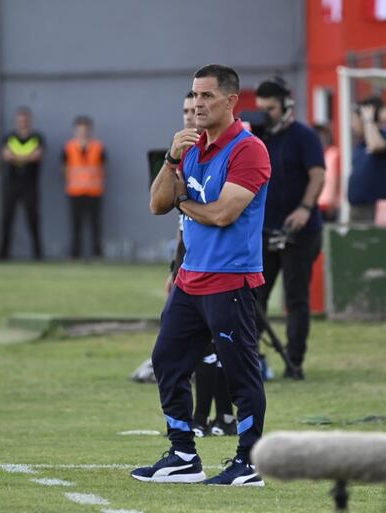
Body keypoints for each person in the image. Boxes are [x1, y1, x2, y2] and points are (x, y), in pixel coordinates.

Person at [132, 64, 270, 486]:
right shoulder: (190, 147)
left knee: (239, 371)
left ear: (231, 101)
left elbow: (224, 214)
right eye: (193, 96)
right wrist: (173, 159)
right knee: (167, 361)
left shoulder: (249, 150)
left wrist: (183, 203)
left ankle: (249, 463)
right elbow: (157, 203)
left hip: (231, 280)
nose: (196, 104)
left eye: (207, 96)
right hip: (191, 280)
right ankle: (182, 454)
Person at [163, 90, 236, 437]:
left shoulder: (234, 147)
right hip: (191, 266)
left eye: (197, 108)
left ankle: (220, 419)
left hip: (227, 268)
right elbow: (174, 216)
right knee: (176, 353)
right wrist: (173, 269)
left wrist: (181, 202)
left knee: (227, 352)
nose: (190, 116)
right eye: (185, 110)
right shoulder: (185, 152)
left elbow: (219, 212)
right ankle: (204, 423)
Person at [254, 76, 325, 380]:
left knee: (296, 298)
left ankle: (294, 361)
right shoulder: (256, 138)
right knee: (255, 298)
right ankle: (251, 358)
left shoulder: (304, 136)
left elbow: (318, 175)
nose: (265, 115)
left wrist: (305, 209)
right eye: (260, 109)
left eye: (270, 108)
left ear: (285, 105)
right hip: (263, 229)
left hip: (300, 230)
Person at [0, 107, 44, 260]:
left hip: (30, 183)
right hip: (12, 183)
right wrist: (26, 157)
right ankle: (4, 253)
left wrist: (17, 157)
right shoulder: (9, 137)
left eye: (25, 120)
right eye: (20, 120)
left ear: (29, 121)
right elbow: (5, 156)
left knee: (33, 218)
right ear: (16, 122)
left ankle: (37, 254)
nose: (22, 123)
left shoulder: (37, 137)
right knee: (7, 218)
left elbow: (38, 156)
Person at [61, 116, 106, 259]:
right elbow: (64, 168)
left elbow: (103, 168)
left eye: (85, 130)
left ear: (90, 131)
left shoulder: (98, 147)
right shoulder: (69, 147)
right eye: (80, 130)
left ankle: (97, 254)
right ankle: (75, 254)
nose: (83, 133)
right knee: (75, 224)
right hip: (75, 191)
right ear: (75, 131)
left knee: (95, 224)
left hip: (94, 191)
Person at [348, 96, 386, 221]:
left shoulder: (385, 137)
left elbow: (375, 145)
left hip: (376, 210)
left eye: (354, 120)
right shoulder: (361, 144)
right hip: (357, 209)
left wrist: (369, 120)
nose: (352, 125)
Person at [314, 123, 340, 221]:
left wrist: (334, 201)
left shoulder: (333, 152)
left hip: (328, 204)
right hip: (314, 203)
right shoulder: (314, 154)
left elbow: (337, 178)